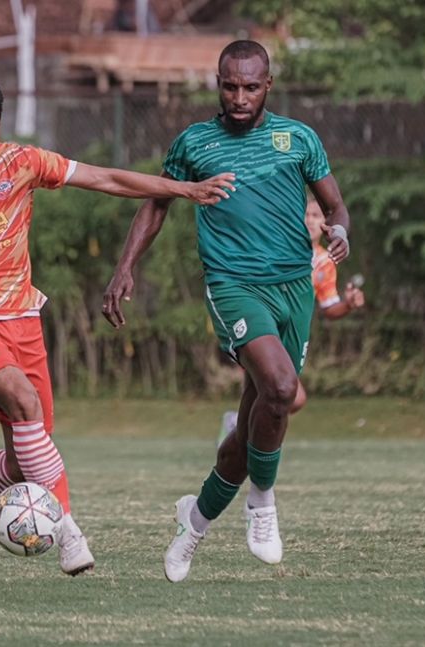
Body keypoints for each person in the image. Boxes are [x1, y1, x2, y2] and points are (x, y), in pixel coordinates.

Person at [0, 69, 235, 577]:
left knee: (24, 457)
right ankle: (70, 532)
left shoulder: (21, 162)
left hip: (23, 321)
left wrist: (183, 190)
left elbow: (106, 178)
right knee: (25, 403)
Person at [102, 40, 351, 582]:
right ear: (218, 82)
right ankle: (263, 501)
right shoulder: (195, 142)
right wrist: (125, 266)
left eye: (250, 86)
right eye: (229, 86)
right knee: (282, 389)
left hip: (294, 289)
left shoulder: (298, 138)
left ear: (268, 86)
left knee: (255, 425)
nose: (239, 97)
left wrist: (340, 232)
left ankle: (194, 521)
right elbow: (156, 202)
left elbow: (334, 206)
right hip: (234, 286)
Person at [217, 194, 366, 442]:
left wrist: (348, 305)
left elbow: (329, 309)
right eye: (304, 214)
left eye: (316, 215)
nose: (309, 220)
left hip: (289, 338)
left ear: (326, 223)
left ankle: (238, 432)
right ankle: (245, 441)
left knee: (271, 396)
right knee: (291, 395)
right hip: (259, 329)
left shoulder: (324, 263)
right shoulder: (274, 246)